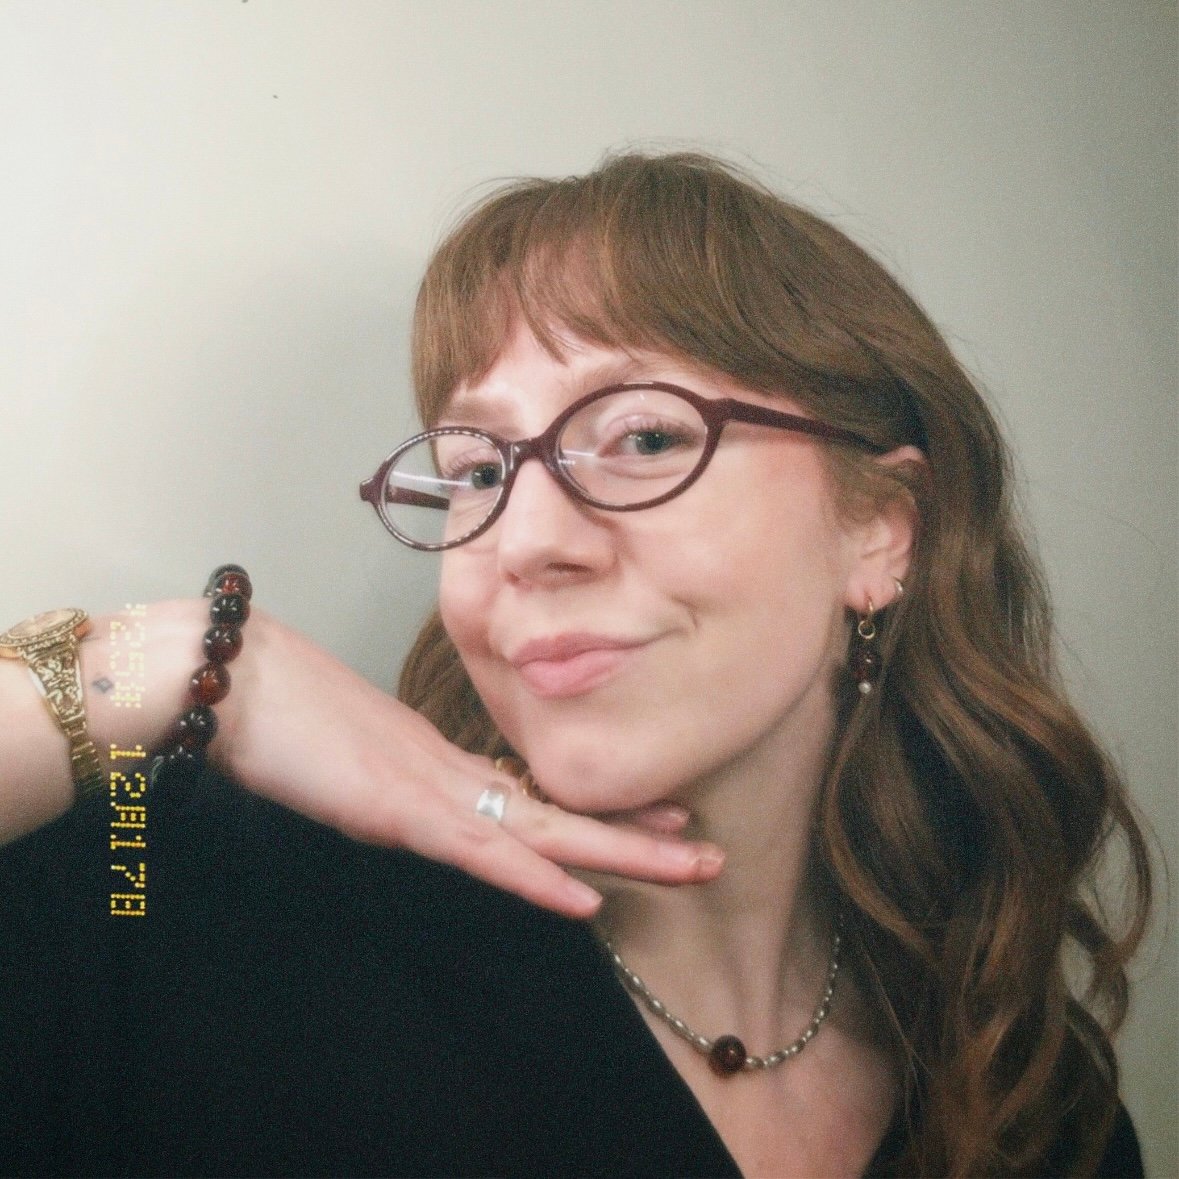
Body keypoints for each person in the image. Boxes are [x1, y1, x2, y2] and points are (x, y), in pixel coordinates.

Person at [0, 152, 1151, 1177]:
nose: (526, 541)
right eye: (478, 472)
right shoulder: (189, 909)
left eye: (644, 437)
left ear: (881, 530)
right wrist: (167, 665)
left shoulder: (1033, 1108)